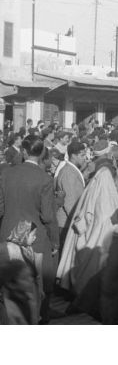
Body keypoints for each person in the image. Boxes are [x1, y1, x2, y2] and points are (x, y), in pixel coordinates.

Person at [0, 135, 59, 323]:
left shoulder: (6, 173)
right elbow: (48, 216)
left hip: (8, 233)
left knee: (8, 284)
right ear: (42, 153)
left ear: (24, 151)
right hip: (34, 237)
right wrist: (54, 240)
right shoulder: (45, 178)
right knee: (34, 286)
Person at [56, 159, 118, 302]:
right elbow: (106, 215)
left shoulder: (93, 185)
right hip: (98, 236)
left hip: (87, 234)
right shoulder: (106, 190)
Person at [55, 141, 86, 250]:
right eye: (82, 155)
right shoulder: (69, 173)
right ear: (73, 156)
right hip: (66, 225)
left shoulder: (72, 170)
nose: (85, 158)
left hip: (67, 223)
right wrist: (80, 225)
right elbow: (71, 204)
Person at [0, 259, 36, 325]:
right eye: (24, 278)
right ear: (11, 284)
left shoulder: (29, 296)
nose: (31, 279)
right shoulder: (7, 311)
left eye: (30, 275)